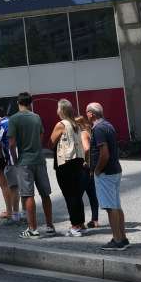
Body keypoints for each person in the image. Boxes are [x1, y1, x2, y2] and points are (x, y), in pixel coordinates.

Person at [10, 92, 55, 238]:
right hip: (39, 159)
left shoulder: (14, 118)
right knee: (45, 194)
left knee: (28, 195)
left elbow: (12, 144)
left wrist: (15, 159)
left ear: (18, 103)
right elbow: (41, 135)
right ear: (30, 103)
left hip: (24, 161)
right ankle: (50, 226)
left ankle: (33, 229)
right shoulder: (36, 117)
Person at [87, 102, 127, 249]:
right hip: (115, 169)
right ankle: (123, 237)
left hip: (106, 172)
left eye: (87, 112)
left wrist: (97, 170)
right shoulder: (108, 125)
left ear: (91, 114)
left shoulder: (98, 129)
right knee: (116, 205)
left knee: (110, 207)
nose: (86, 115)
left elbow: (104, 154)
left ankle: (117, 240)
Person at [51, 99, 88, 236]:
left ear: (61, 110)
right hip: (77, 161)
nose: (57, 111)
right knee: (77, 194)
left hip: (65, 162)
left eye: (58, 108)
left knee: (69, 195)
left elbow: (51, 141)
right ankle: (81, 223)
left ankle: (75, 225)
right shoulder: (76, 124)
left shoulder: (61, 124)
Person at [0, 107, 20, 224]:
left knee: (7, 186)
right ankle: (16, 211)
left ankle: (11, 212)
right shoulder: (12, 121)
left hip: (6, 158)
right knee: (15, 186)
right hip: (18, 157)